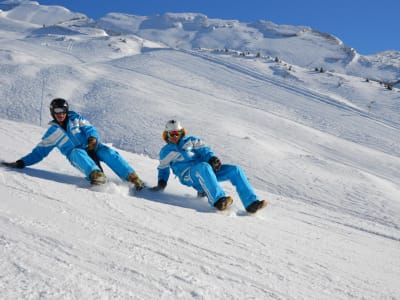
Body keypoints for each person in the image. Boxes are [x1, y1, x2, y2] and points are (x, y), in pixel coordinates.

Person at [2, 98, 145, 190]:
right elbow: (39, 153)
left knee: (109, 153)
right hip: (76, 154)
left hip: (92, 145)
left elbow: (90, 128)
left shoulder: (76, 119)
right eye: (57, 111)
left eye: (63, 111)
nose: (60, 114)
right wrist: (21, 162)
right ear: (52, 112)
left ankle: (132, 178)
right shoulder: (52, 133)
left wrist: (93, 138)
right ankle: (96, 175)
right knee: (77, 153)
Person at [151, 119, 267, 213]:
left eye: (178, 133)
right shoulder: (166, 152)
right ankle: (218, 201)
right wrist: (162, 182)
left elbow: (205, 151)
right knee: (203, 167)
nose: (175, 136)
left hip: (205, 169)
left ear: (182, 133)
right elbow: (163, 168)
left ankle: (251, 203)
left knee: (235, 170)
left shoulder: (192, 141)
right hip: (187, 175)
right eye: (172, 134)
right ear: (167, 135)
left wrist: (212, 159)